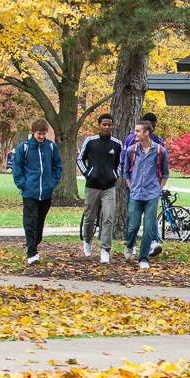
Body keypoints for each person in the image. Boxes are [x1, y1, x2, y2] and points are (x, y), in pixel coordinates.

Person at [12, 119, 62, 265]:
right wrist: (23, 185)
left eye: (44, 134)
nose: (41, 136)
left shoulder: (51, 147)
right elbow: (17, 167)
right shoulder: (24, 147)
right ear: (33, 132)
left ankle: (34, 244)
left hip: (46, 192)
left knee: (39, 223)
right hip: (30, 192)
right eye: (39, 134)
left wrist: (53, 181)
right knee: (31, 222)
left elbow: (58, 165)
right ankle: (32, 253)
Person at [121, 120, 169, 269]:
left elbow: (165, 173)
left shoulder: (160, 151)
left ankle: (143, 258)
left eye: (137, 131)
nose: (134, 133)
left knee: (148, 227)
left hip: (152, 195)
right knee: (133, 226)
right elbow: (126, 172)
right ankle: (130, 245)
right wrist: (131, 186)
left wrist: (158, 190)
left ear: (146, 132)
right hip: (135, 194)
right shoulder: (132, 150)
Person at [76, 113, 122, 263]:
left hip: (109, 186)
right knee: (90, 217)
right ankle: (88, 240)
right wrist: (88, 174)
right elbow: (80, 159)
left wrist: (115, 175)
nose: (107, 127)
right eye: (104, 124)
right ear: (99, 125)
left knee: (108, 217)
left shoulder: (117, 144)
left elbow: (120, 163)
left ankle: (105, 249)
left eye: (109, 125)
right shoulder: (90, 141)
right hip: (92, 185)